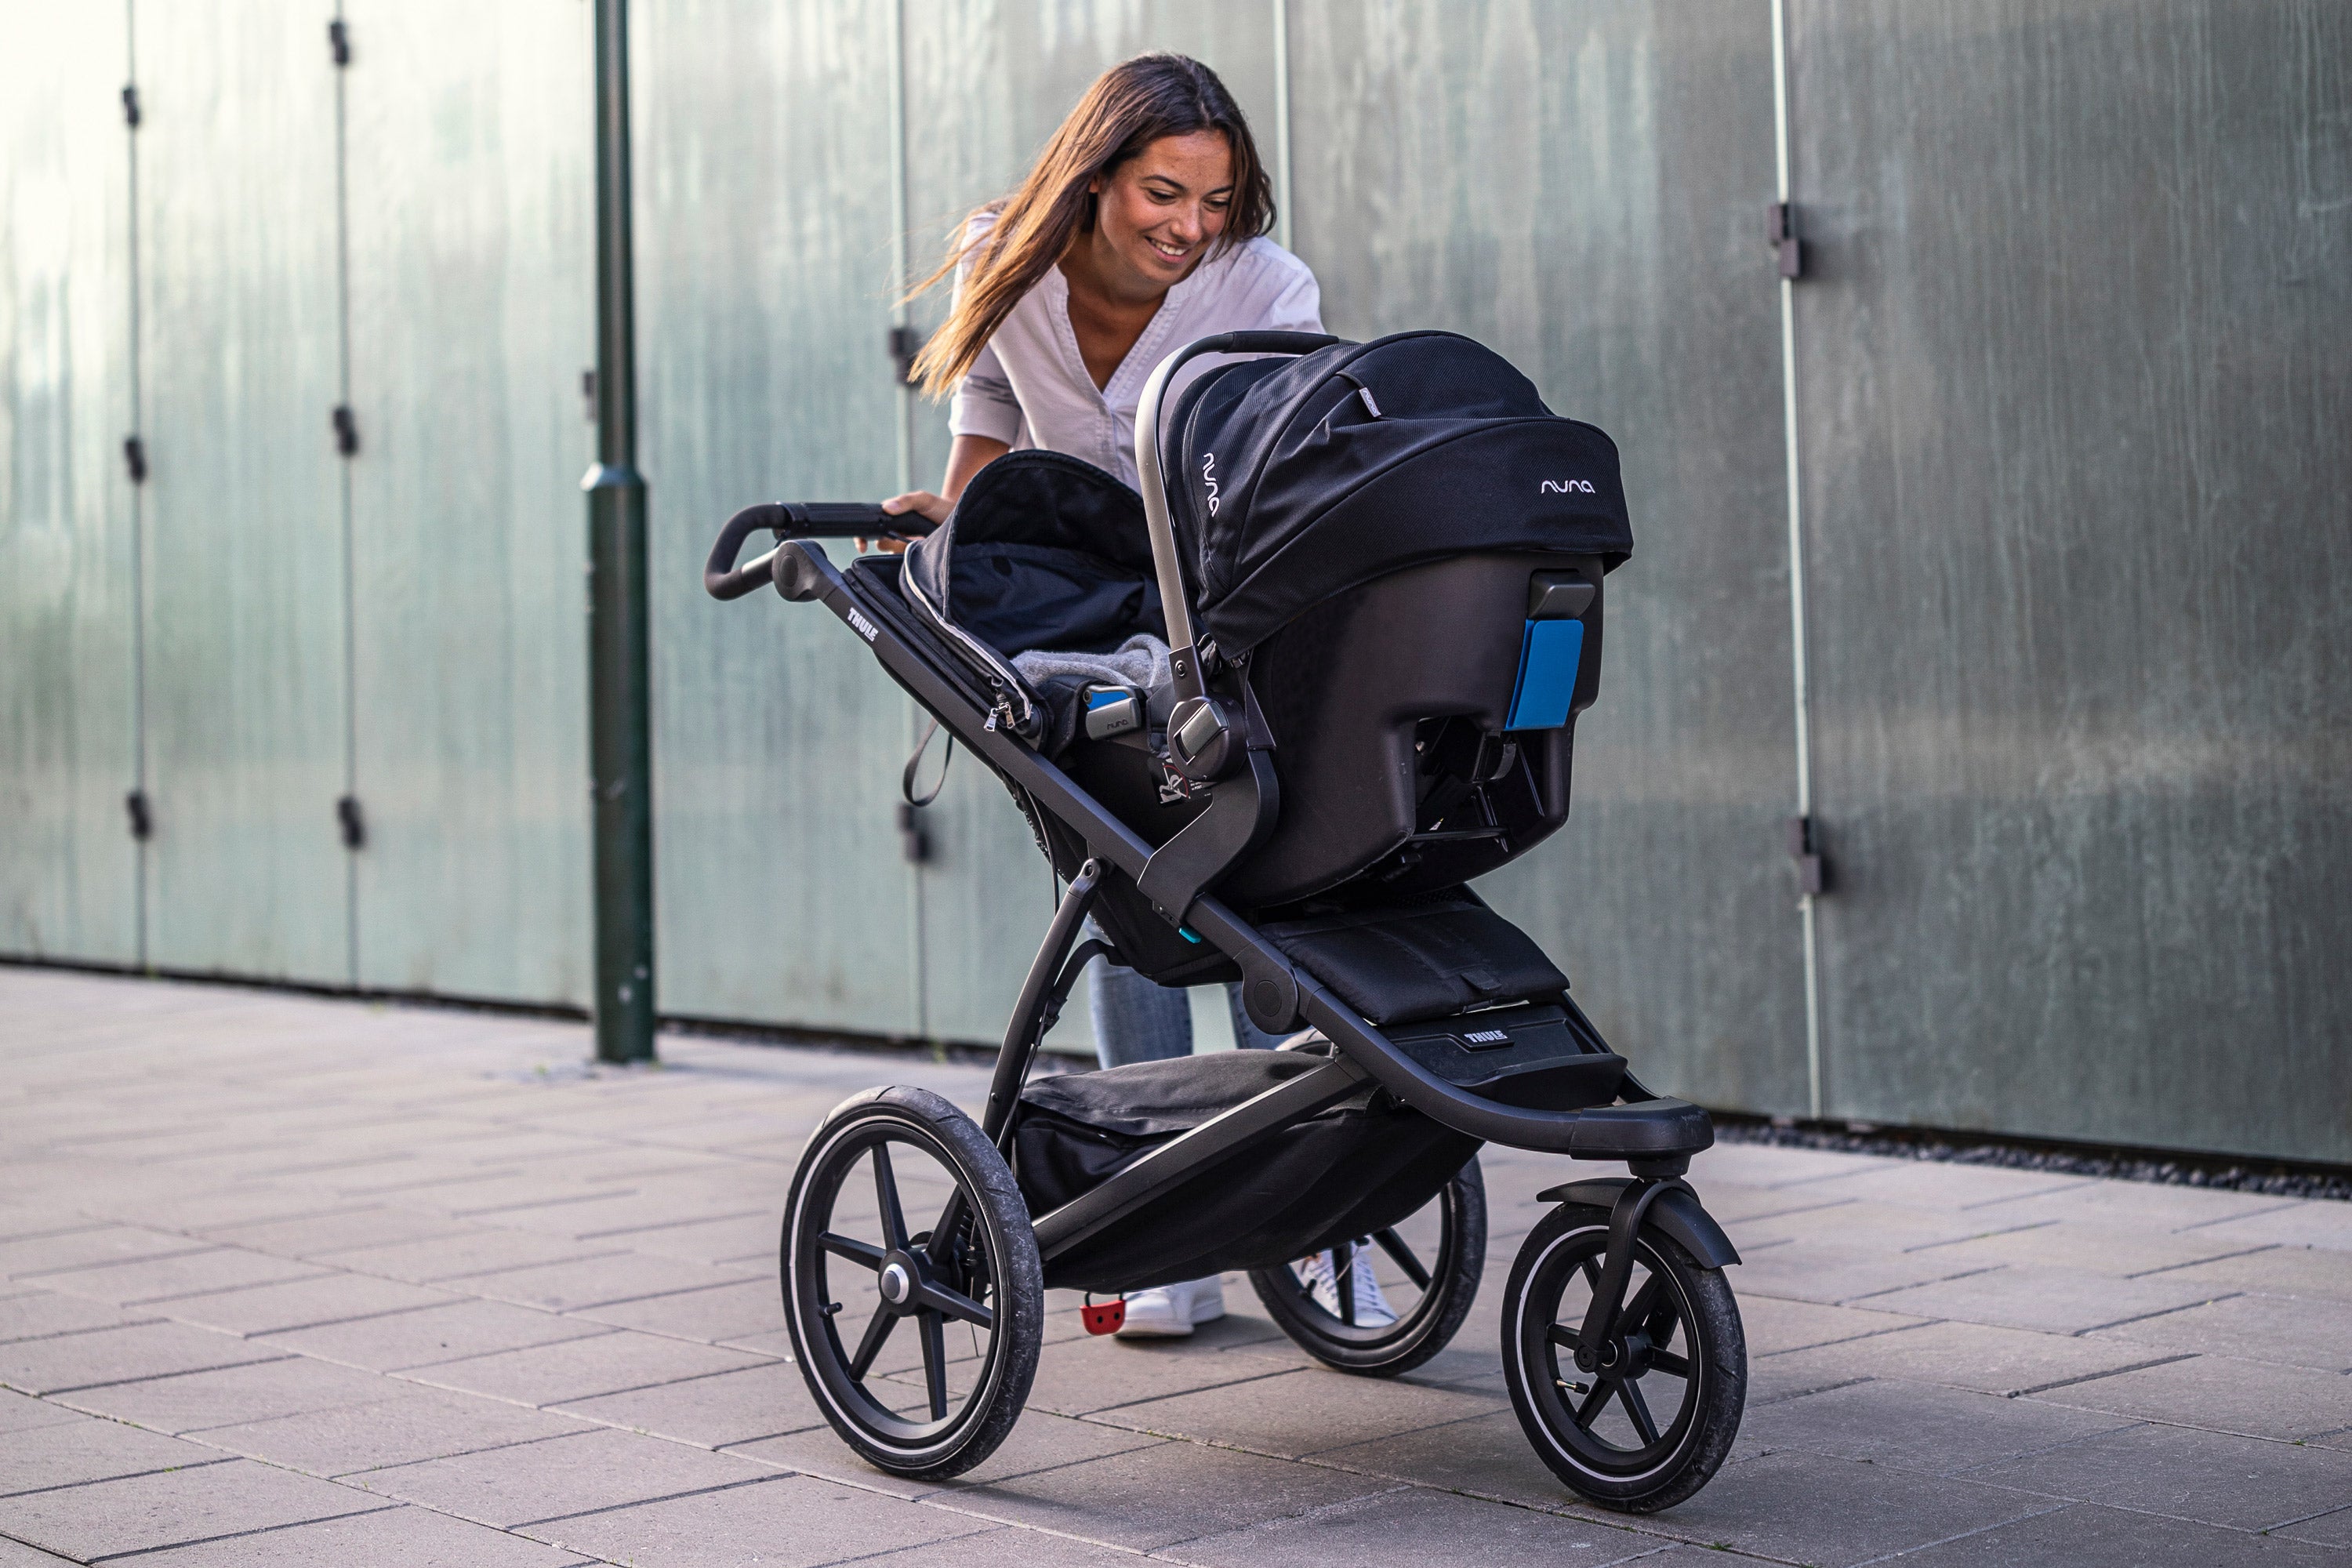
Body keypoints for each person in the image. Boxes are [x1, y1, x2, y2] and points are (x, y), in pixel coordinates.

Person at [883, 53, 1392, 1339]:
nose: (1189, 227)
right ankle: (1162, 1234)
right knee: (1115, 876)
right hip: (1094, 624)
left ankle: (1315, 1218)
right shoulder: (1009, 257)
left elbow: (1299, 464)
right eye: (1164, 194)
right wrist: (952, 519)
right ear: (1095, 175)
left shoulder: (1261, 288)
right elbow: (991, 409)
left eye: (1214, 202)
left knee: (1263, 889)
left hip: (1235, 623)